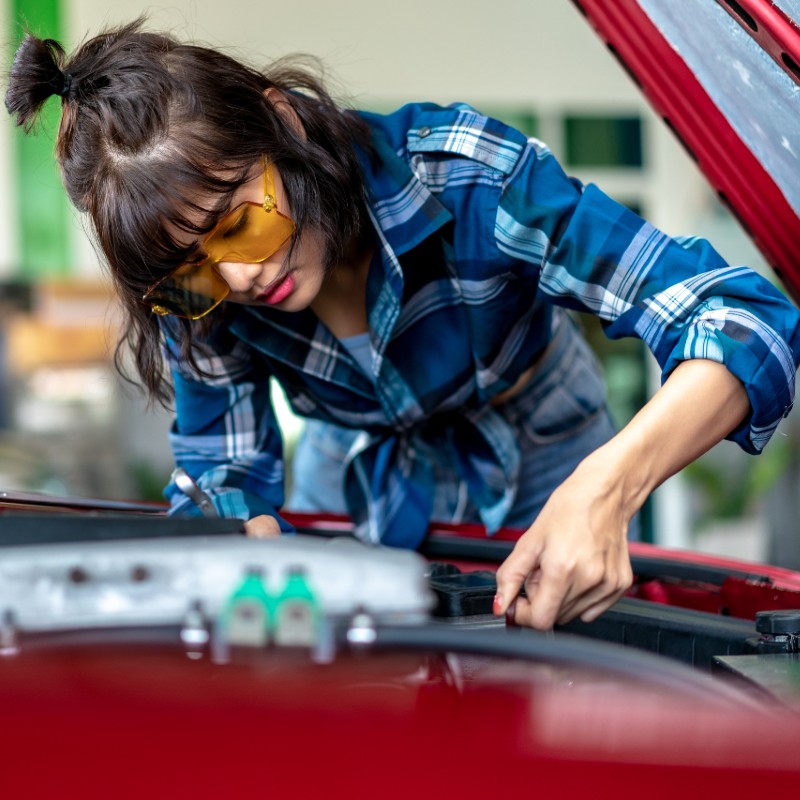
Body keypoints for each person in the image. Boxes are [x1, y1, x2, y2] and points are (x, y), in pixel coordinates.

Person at [6, 19, 800, 631]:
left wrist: (604, 486)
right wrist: (234, 548)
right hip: (347, 471)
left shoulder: (465, 176)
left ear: (285, 125)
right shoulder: (196, 293)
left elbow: (737, 315)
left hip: (543, 448)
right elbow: (223, 473)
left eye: (238, 223)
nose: (239, 276)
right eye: (194, 269)